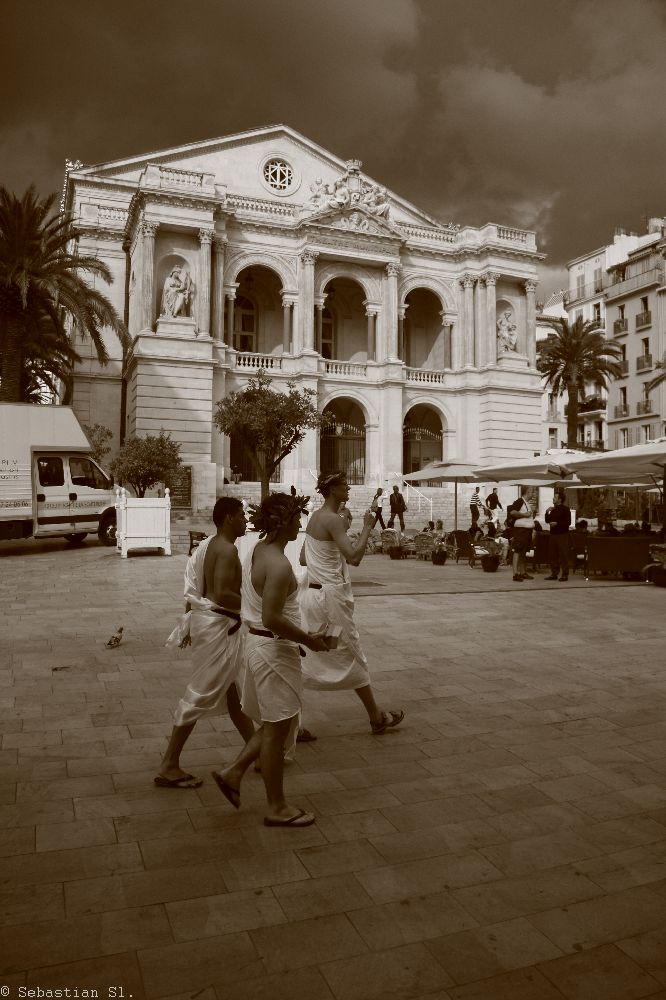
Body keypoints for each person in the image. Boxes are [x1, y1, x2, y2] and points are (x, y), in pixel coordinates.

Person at [211, 493, 330, 827]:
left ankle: (233, 772)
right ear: (283, 523)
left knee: (277, 724)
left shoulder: (258, 550)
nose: (301, 524)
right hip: (273, 651)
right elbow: (273, 617)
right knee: (278, 732)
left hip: (263, 647)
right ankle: (276, 807)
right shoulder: (278, 564)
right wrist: (311, 641)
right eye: (296, 519)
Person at [155, 497, 254, 789]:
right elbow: (222, 594)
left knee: (235, 693)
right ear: (226, 519)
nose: (245, 520)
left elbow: (195, 588)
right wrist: (255, 604)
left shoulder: (209, 544)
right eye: (240, 515)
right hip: (220, 627)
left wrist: (188, 621)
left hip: (214, 624)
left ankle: (256, 749)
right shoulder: (225, 550)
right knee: (200, 694)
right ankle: (169, 764)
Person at [300, 472, 405, 734]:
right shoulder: (332, 519)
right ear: (332, 489)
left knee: (305, 656)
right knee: (352, 652)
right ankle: (376, 718)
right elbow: (355, 558)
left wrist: (337, 540)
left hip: (312, 597)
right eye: (344, 485)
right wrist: (368, 526)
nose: (348, 488)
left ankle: (294, 724)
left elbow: (304, 557)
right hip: (330, 601)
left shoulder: (316, 517)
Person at [507, 487, 535, 582]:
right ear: (527, 492)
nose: (533, 494)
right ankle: (515, 574)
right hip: (521, 531)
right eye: (532, 491)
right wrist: (525, 515)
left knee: (523, 552)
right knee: (517, 551)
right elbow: (512, 512)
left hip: (527, 531)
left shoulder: (526, 503)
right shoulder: (519, 501)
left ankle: (523, 572)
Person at [544, 491, 572, 581]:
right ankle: (554, 573)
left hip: (562, 535)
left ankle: (565, 574)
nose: (553, 498)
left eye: (555, 497)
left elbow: (568, 522)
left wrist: (557, 523)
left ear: (560, 499)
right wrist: (547, 512)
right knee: (553, 554)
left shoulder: (565, 509)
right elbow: (547, 520)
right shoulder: (553, 509)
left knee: (563, 554)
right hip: (553, 535)